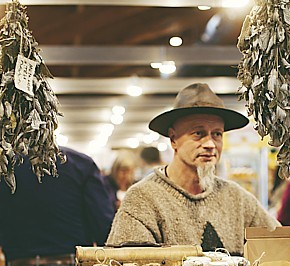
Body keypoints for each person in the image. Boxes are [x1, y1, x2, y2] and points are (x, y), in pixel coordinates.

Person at [107, 83, 278, 254]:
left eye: (217, 134)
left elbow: (279, 244)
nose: (210, 144)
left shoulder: (236, 198)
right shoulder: (143, 199)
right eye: (198, 134)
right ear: (173, 139)